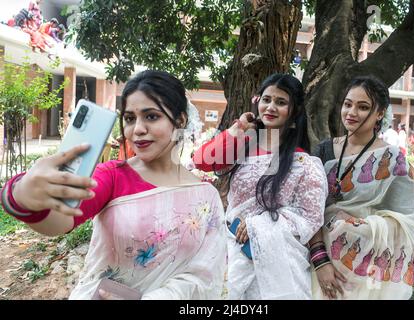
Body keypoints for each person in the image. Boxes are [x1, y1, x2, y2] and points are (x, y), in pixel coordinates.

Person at [0, 70, 227, 300]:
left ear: (180, 121)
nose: (137, 129)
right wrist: (21, 197)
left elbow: (204, 275)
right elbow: (58, 223)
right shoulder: (113, 176)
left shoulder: (205, 196)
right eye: (130, 119)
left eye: (151, 116)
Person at [193, 73, 328, 299]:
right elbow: (202, 160)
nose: (271, 107)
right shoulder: (244, 146)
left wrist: (258, 225)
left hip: (279, 263)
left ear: (294, 111)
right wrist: (238, 128)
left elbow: (309, 218)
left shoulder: (304, 163)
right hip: (232, 252)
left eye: (281, 102)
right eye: (266, 100)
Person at [310, 75, 414, 300]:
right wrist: (320, 261)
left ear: (380, 113)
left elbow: (408, 224)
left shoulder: (392, 160)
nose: (351, 112)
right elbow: (308, 208)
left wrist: (360, 225)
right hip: (321, 258)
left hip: (366, 267)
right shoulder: (324, 151)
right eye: (348, 104)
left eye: (363, 107)